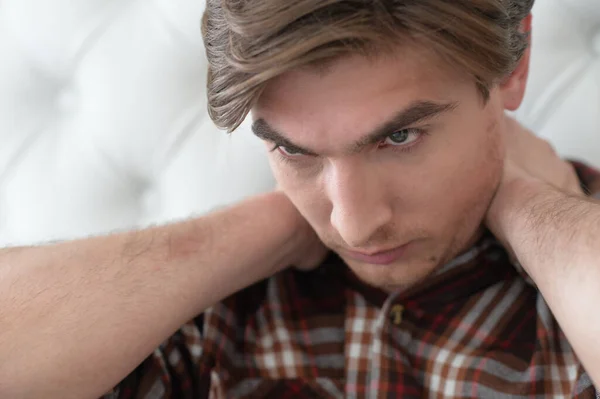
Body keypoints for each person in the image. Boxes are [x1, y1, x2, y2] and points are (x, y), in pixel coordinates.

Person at [1, 0, 600, 397]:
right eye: (293, 151)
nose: (355, 226)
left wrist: (525, 204)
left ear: (514, 67)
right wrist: (274, 226)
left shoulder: (575, 277)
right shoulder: (217, 312)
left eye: (399, 137)